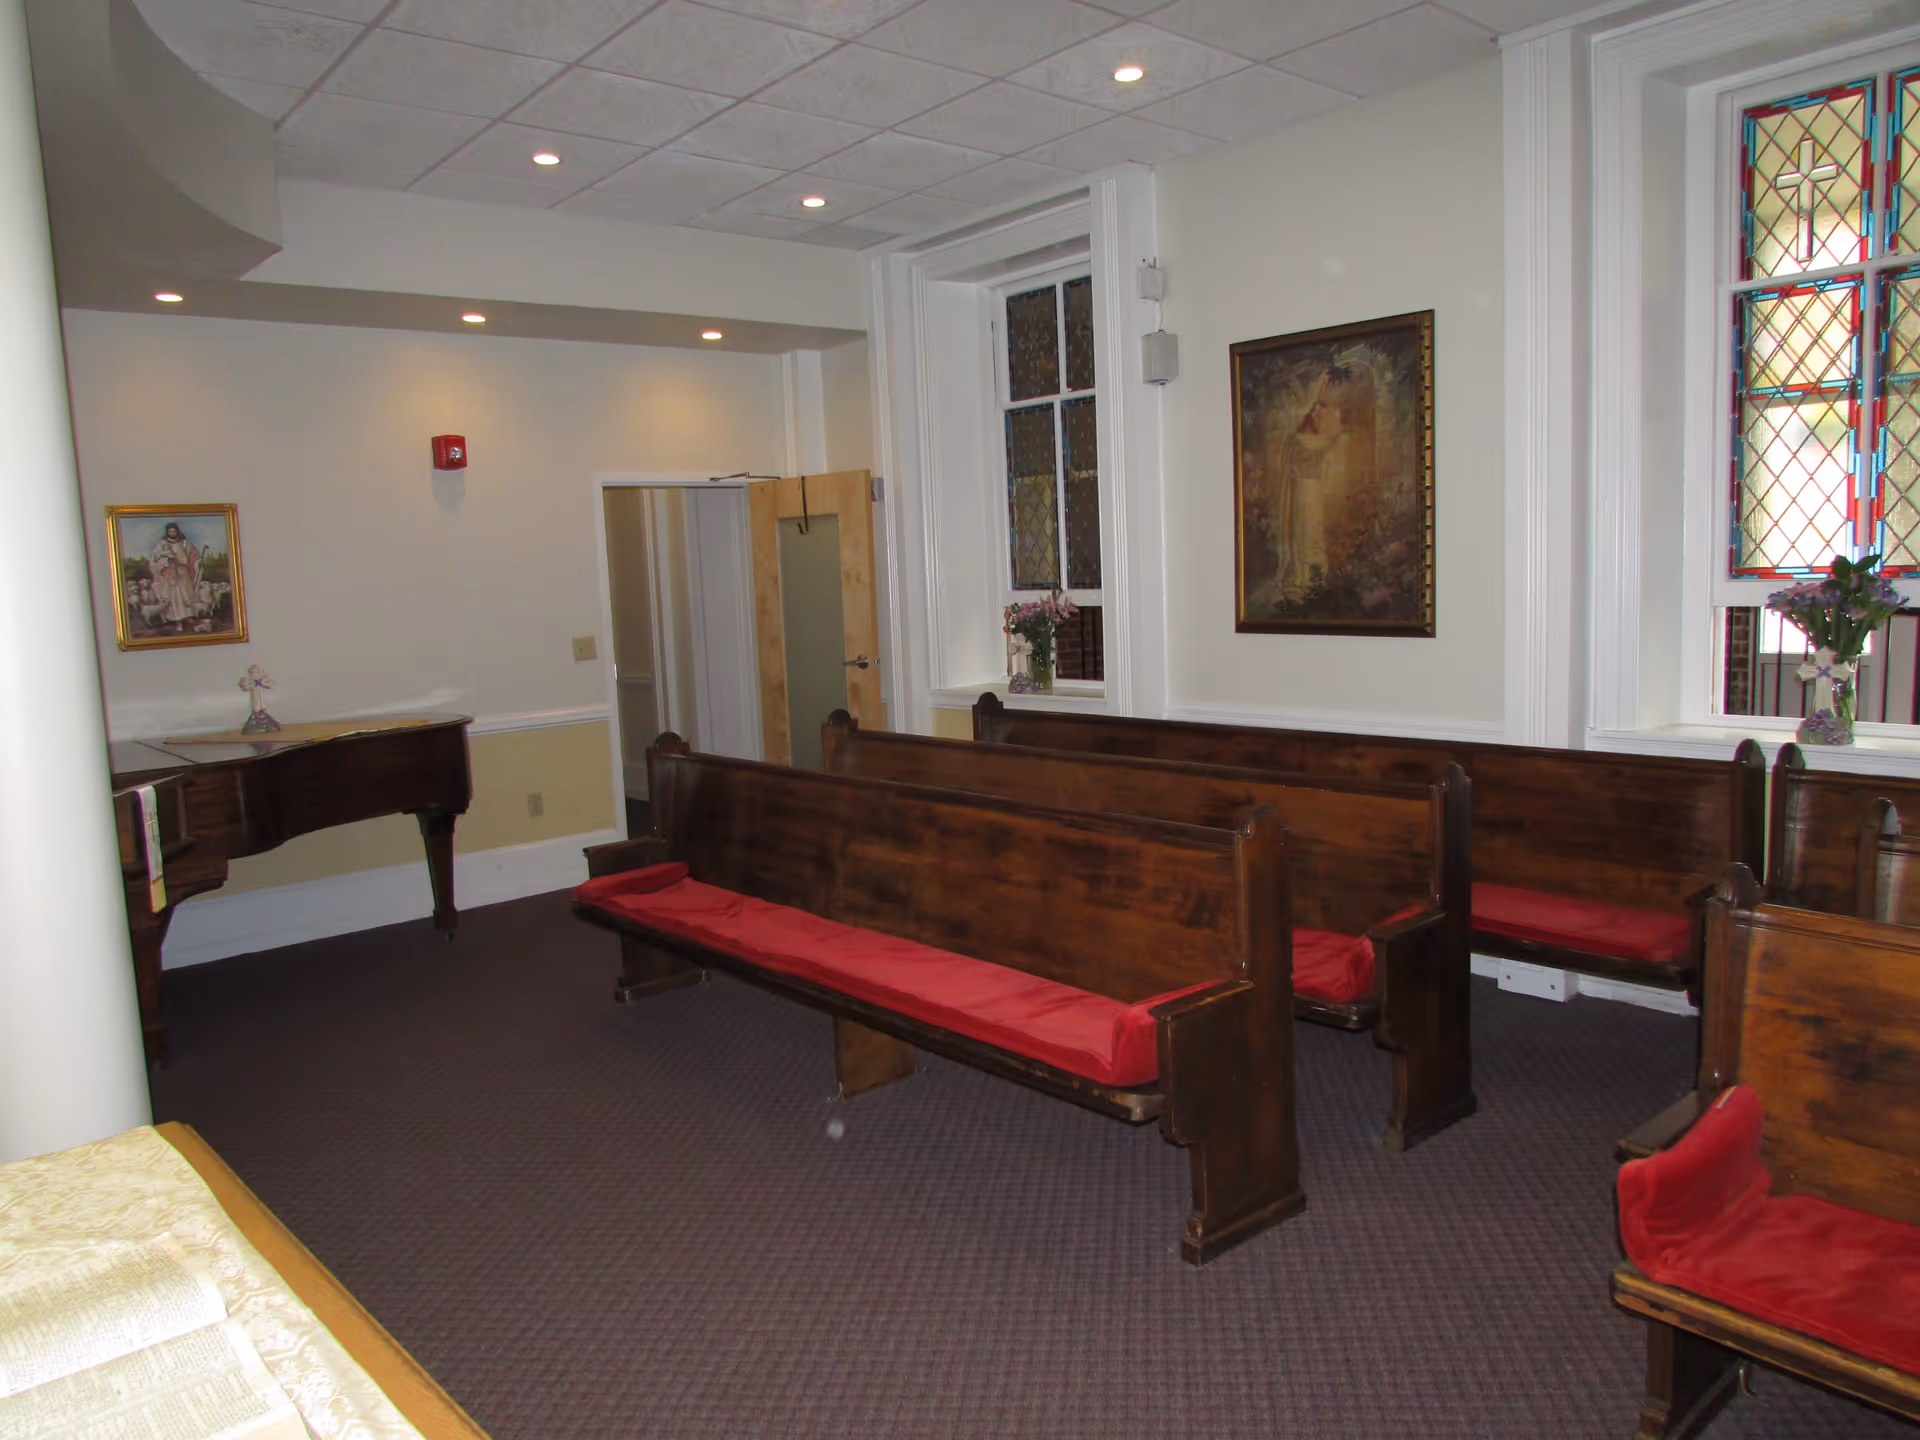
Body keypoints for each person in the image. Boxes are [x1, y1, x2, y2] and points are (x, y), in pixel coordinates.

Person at [149, 522, 201, 627]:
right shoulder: (162, 544)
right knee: (173, 596)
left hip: (183, 573)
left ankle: (187, 617)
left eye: (174, 531)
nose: (172, 533)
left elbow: (194, 555)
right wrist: (164, 559)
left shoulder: (185, 543)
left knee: (185, 595)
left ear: (177, 531)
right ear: (167, 532)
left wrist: (198, 562)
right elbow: (155, 557)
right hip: (169, 574)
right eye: (170, 531)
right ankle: (174, 619)